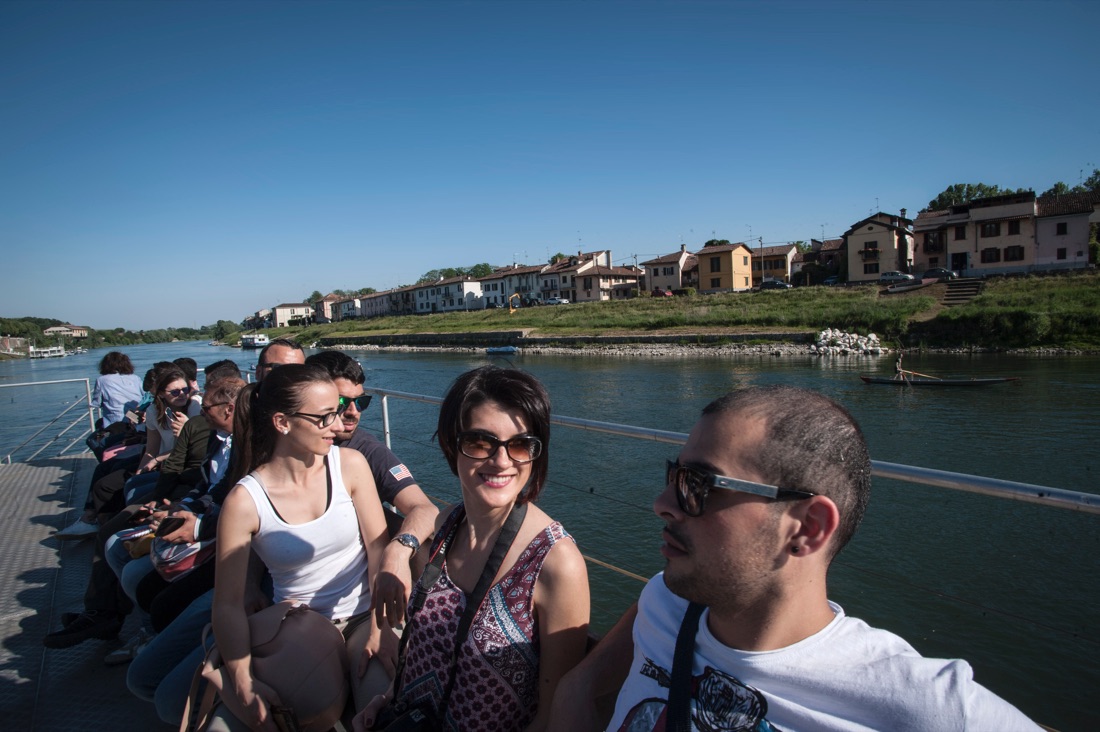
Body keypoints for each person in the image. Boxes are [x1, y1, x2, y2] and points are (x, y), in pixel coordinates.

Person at [548, 385, 1042, 731]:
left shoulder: (924, 707)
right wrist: (573, 695)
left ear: (807, 529)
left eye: (698, 485)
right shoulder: (664, 601)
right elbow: (582, 684)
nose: (662, 501)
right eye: (674, 475)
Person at [355, 366, 590, 732]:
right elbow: (427, 650)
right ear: (452, 444)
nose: (501, 461)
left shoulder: (555, 562)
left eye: (520, 444)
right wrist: (389, 697)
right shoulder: (447, 525)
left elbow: (553, 716)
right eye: (480, 442)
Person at [211, 363, 405, 730]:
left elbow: (379, 551)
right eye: (324, 417)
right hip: (297, 630)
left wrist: (382, 628)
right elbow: (227, 605)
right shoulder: (245, 501)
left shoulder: (350, 466)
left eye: (337, 411)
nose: (338, 425)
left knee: (385, 712)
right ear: (282, 422)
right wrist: (242, 680)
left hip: (366, 618)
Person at [305, 350, 439, 624]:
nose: (354, 412)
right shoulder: (271, 453)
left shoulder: (368, 452)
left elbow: (424, 508)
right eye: (343, 402)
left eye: (361, 402)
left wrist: (400, 549)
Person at [91, 351, 143, 430]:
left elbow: (96, 403)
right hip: (135, 418)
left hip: (116, 420)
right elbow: (144, 395)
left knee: (98, 428)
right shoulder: (135, 378)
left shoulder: (102, 380)